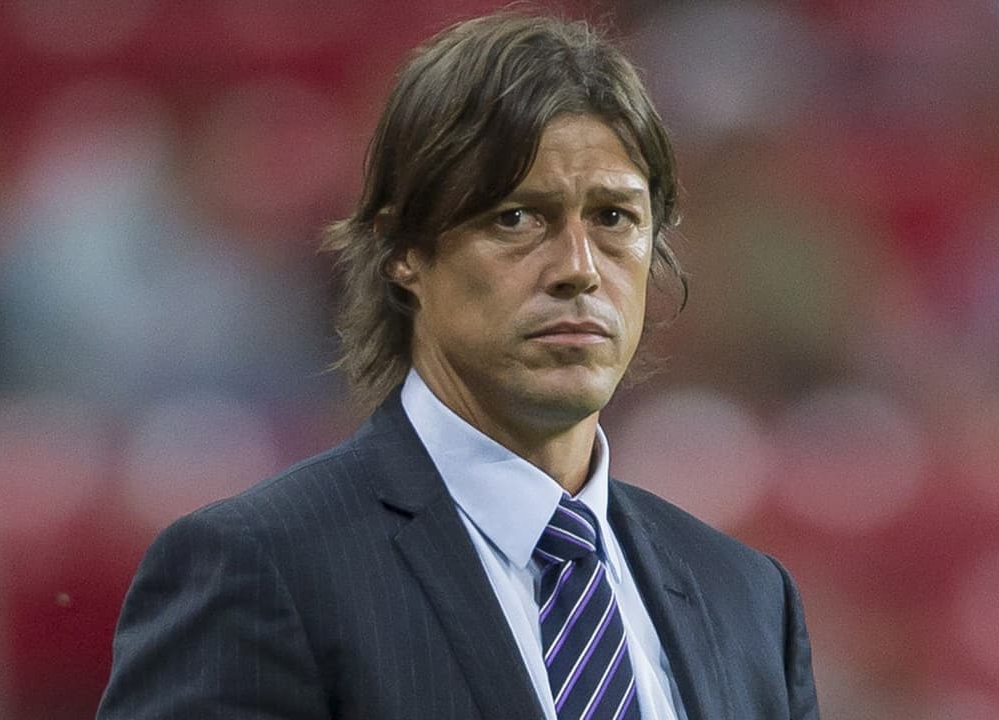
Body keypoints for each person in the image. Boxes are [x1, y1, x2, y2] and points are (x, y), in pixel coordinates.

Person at [97, 11, 820, 720]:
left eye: (613, 218)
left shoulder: (749, 599)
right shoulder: (259, 570)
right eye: (516, 217)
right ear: (403, 250)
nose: (579, 268)